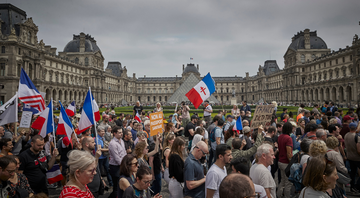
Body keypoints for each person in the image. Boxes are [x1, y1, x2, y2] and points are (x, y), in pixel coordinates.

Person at [108, 126, 127, 198]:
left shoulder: (121, 141)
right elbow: (117, 158)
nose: (121, 134)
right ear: (114, 133)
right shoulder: (113, 143)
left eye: (122, 132)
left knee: (121, 186)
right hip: (115, 167)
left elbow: (124, 153)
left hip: (122, 165)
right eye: (119, 132)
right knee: (116, 187)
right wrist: (124, 165)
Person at [276, 122, 293, 198]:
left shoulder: (280, 137)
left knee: (283, 181)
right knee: (288, 182)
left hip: (280, 161)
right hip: (286, 162)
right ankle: (287, 196)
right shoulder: (288, 138)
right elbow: (288, 153)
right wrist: (291, 162)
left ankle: (279, 195)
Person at [344, 121, 360, 193]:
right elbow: (359, 150)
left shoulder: (346, 135)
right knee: (354, 172)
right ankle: (357, 186)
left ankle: (352, 187)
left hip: (349, 157)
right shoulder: (357, 137)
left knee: (353, 173)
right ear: (356, 128)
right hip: (357, 158)